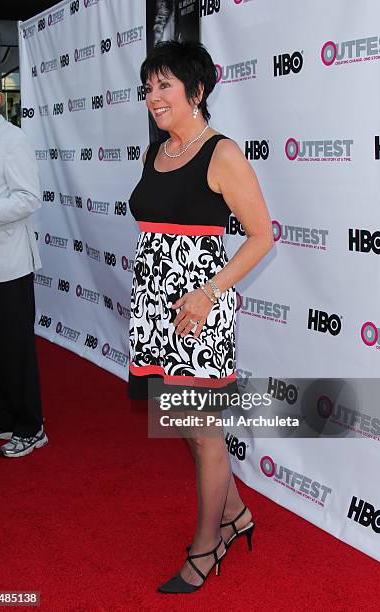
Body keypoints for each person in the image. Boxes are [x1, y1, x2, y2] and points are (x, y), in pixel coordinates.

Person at [128, 41, 273, 593]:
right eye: (148, 88)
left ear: (199, 91)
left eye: (164, 85)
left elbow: (262, 236)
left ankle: (208, 545)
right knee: (187, 427)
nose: (153, 97)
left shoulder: (222, 154)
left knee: (204, 432)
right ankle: (238, 515)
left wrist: (208, 292)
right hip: (154, 307)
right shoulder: (156, 152)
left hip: (199, 309)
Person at [0, 71, 47, 458]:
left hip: (8, 265)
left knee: (15, 348)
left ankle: (31, 427)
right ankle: (2, 418)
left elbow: (28, 198)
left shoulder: (13, 139)